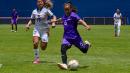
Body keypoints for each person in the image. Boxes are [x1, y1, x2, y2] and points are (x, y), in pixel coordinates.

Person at [57, 3, 91, 70]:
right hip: (67, 38)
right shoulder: (64, 16)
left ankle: (87, 44)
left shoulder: (74, 15)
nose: (66, 10)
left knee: (84, 50)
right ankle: (64, 64)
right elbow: (61, 19)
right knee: (62, 48)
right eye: (65, 9)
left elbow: (80, 21)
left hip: (76, 38)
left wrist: (86, 26)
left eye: (67, 9)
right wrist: (54, 21)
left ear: (71, 9)